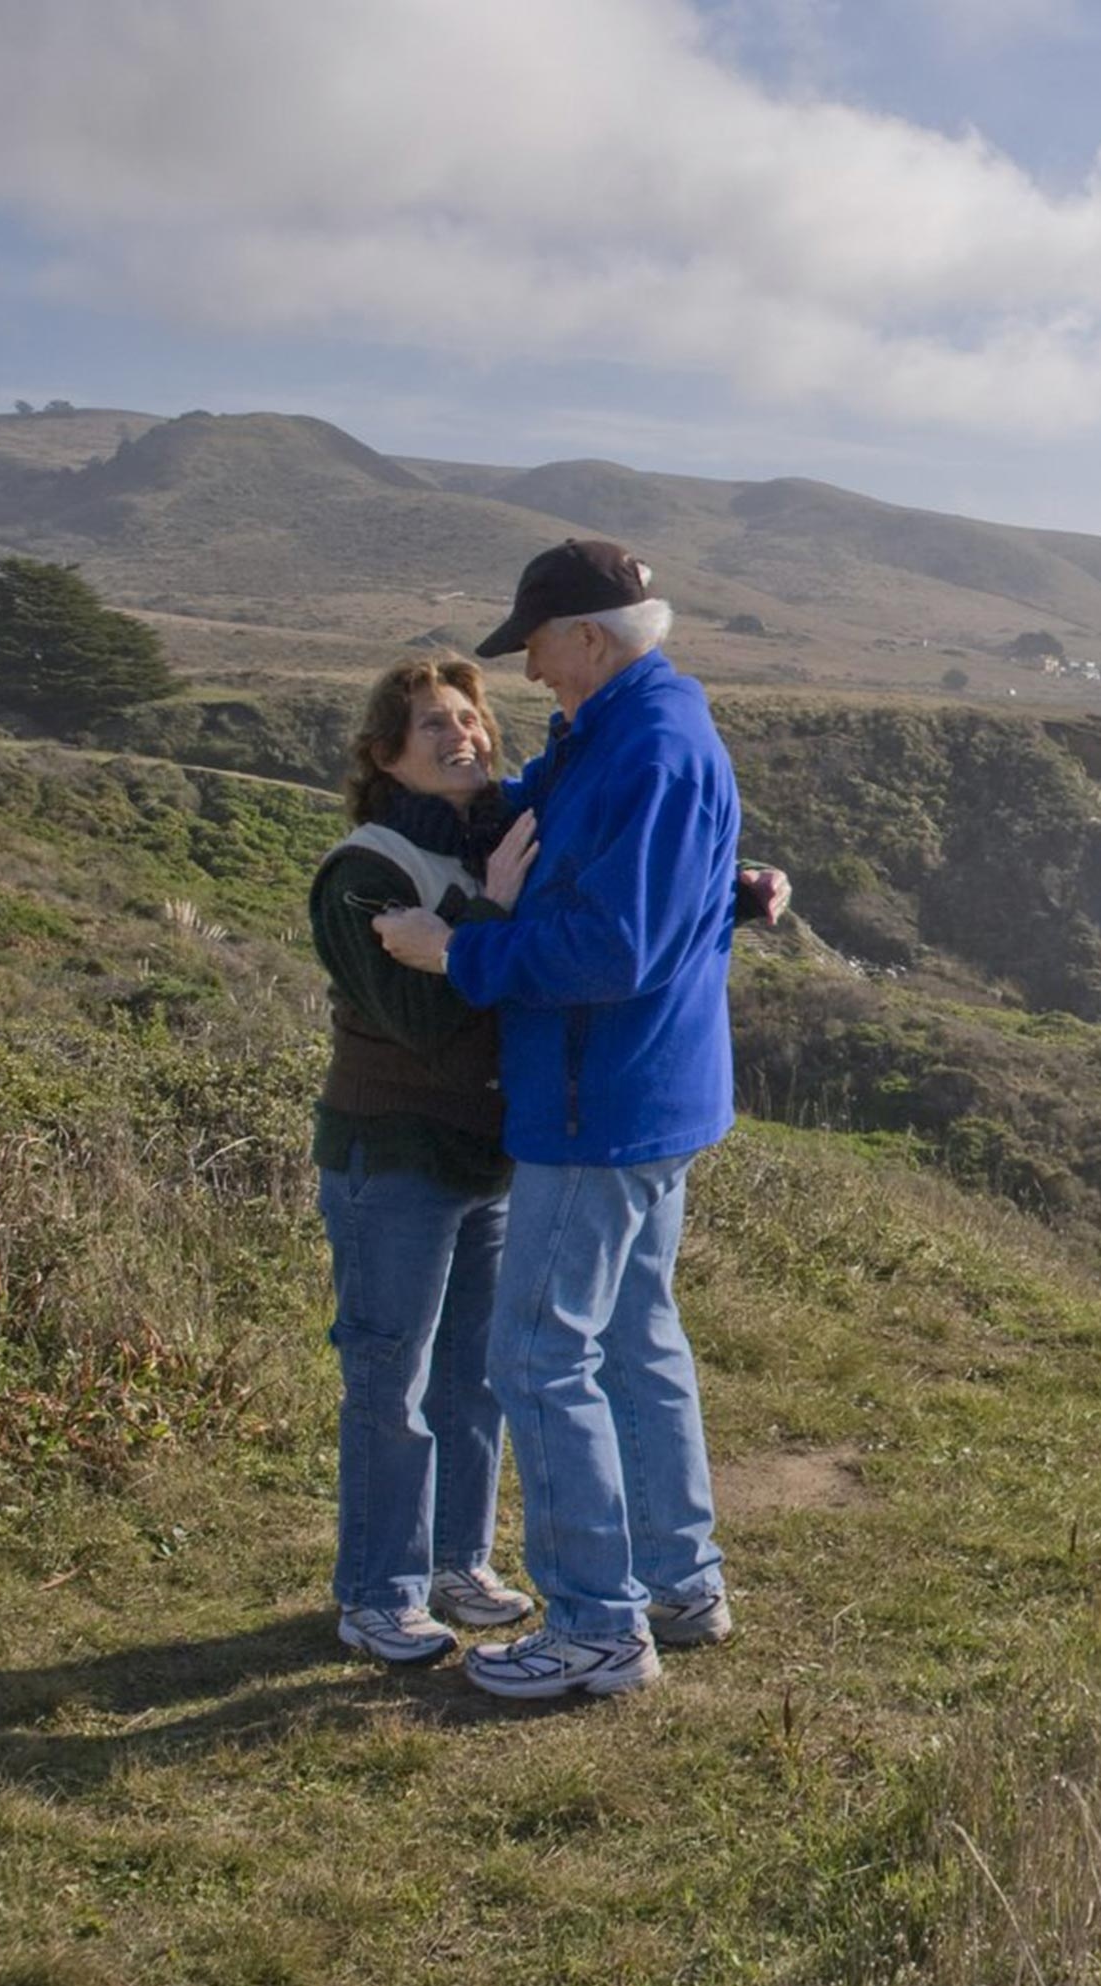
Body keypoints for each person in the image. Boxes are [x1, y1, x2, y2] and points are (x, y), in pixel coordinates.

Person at [376, 538, 763, 1699]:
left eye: (537, 646)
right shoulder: (632, 730)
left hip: (603, 1098)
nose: (531, 672)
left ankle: (598, 1622)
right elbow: (655, 888)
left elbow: (615, 945)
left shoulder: (644, 747)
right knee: (637, 1334)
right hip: (651, 1091)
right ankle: (678, 1580)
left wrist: (462, 950)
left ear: (588, 636)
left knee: (540, 1352)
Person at [310, 658, 542, 1665]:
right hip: (392, 1153)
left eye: (468, 717)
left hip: (484, 1158)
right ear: (384, 754)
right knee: (387, 1377)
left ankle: (457, 1562)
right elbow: (425, 1025)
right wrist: (489, 912)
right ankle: (376, 1592)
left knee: (472, 1377)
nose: (462, 736)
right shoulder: (363, 872)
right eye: (432, 724)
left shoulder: (499, 843)